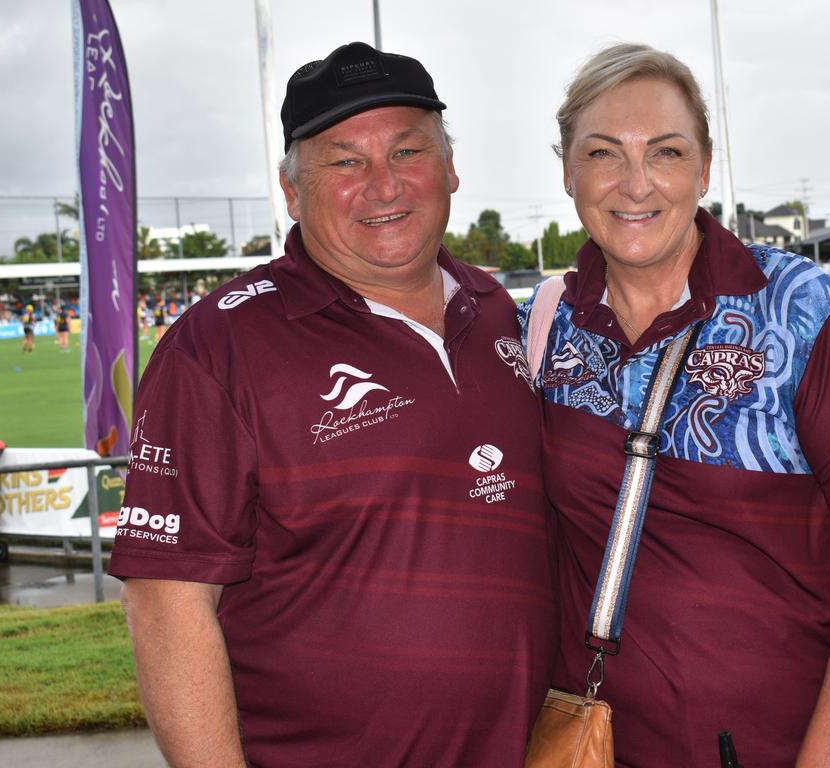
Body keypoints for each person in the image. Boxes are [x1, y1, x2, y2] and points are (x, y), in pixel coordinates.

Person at [110, 41, 556, 767]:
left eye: (408, 152)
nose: (384, 186)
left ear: (449, 168)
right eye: (345, 162)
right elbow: (166, 604)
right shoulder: (219, 346)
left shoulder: (500, 310)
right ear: (292, 191)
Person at [519, 43, 830, 768]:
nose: (636, 183)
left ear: (705, 168)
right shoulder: (544, 322)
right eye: (603, 153)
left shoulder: (802, 312)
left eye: (668, 152)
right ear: (566, 168)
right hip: (597, 747)